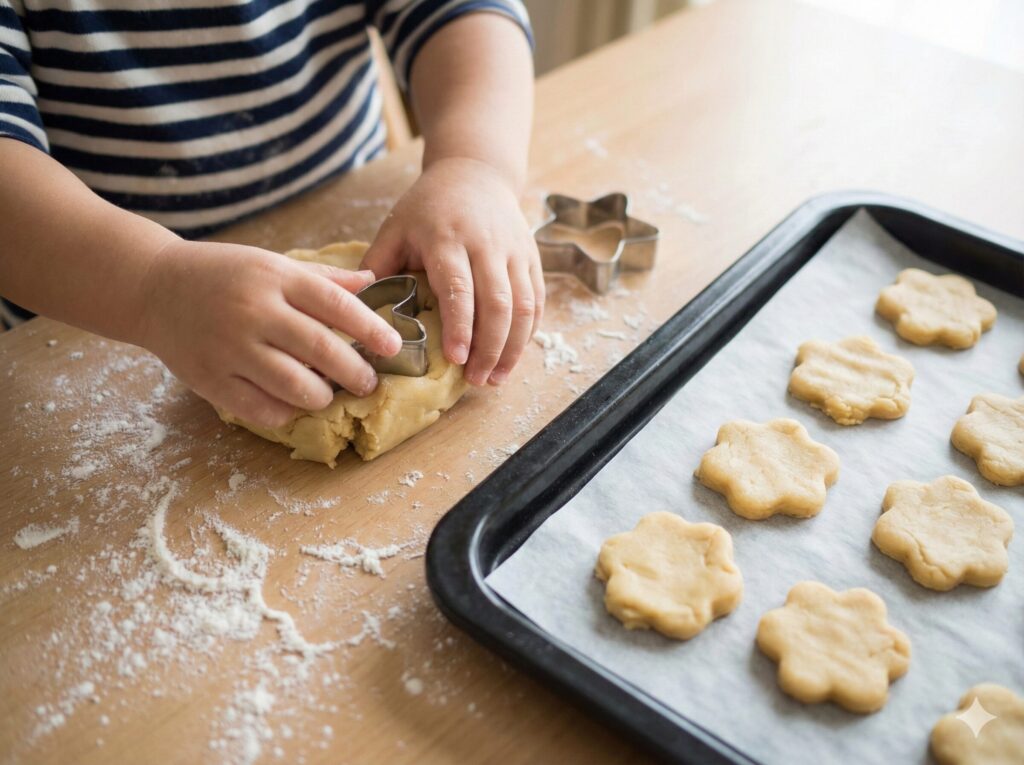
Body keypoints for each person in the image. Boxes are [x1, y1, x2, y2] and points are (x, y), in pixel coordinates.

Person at [0, 0, 543, 428]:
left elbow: (460, 10)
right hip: (83, 312)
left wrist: (475, 166)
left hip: (357, 228)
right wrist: (152, 288)